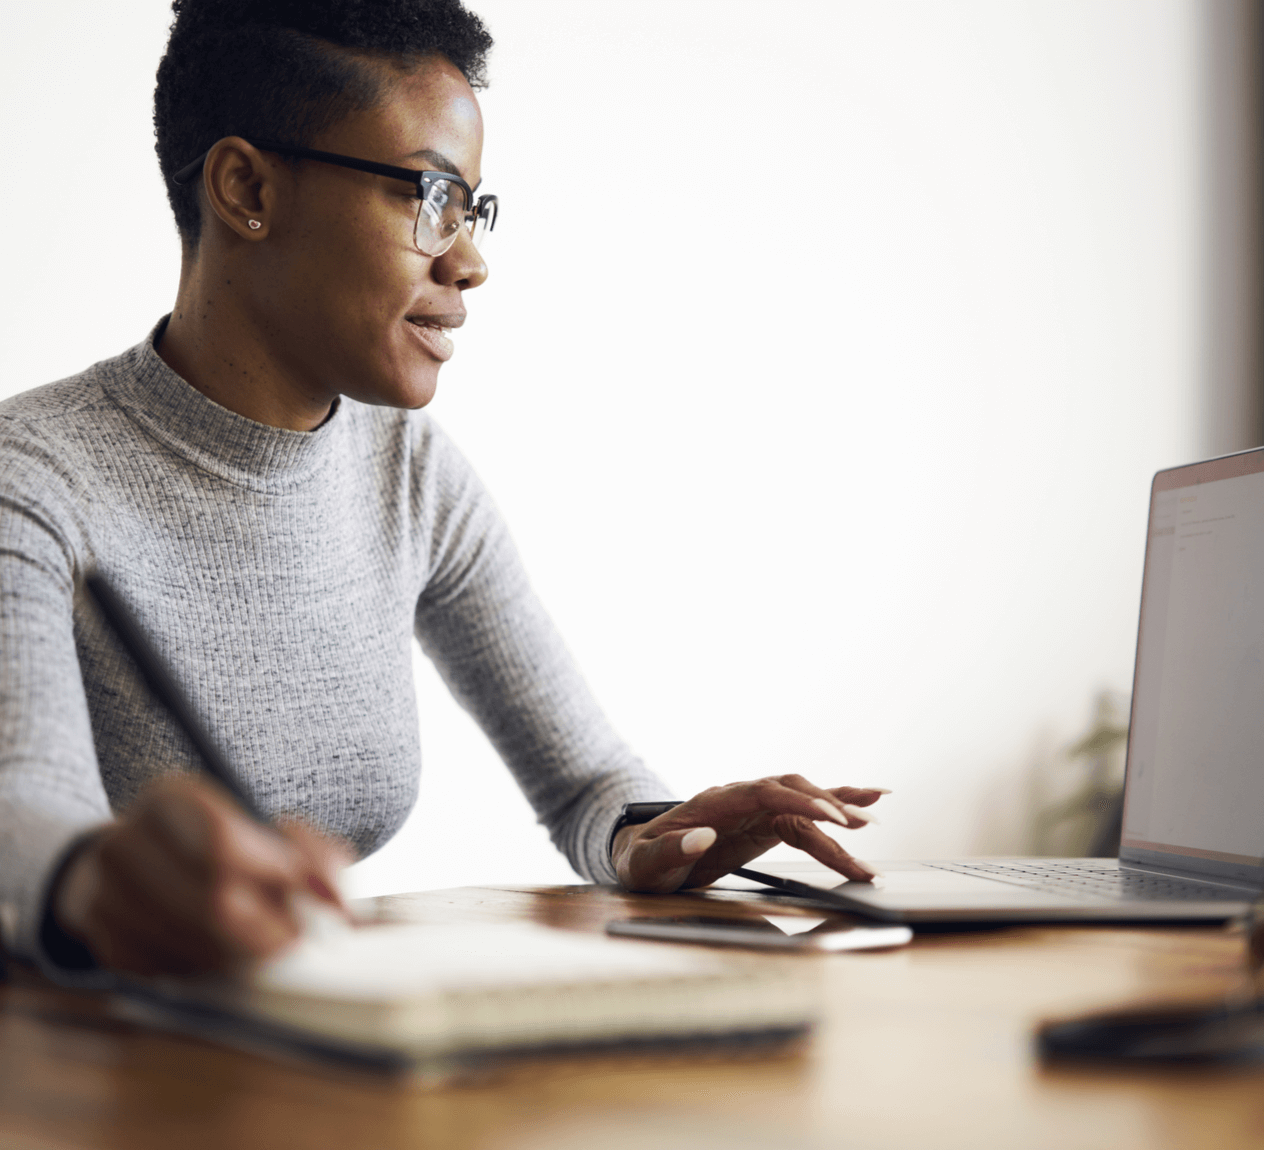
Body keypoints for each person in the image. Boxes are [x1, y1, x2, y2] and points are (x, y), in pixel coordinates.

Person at [0, 0, 885, 978]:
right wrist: (96, 875)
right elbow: (20, 809)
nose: (468, 259)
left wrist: (652, 837)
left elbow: (588, 783)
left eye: (471, 208)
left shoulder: (409, 469)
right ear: (247, 187)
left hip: (310, 1050)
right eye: (428, 195)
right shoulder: (31, 475)